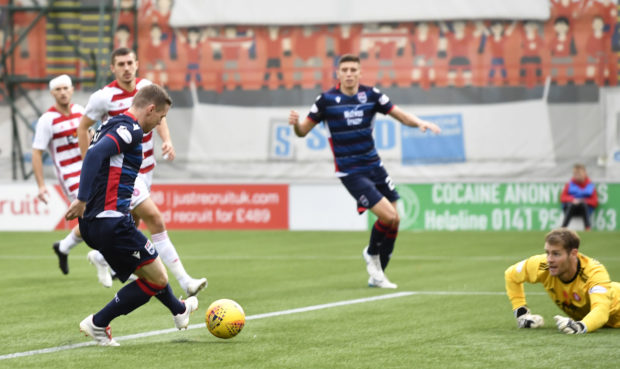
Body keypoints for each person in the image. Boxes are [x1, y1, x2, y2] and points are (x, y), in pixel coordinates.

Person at [288, 54, 441, 289]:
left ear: (360, 73)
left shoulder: (372, 95)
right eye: (345, 70)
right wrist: (296, 125)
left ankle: (378, 275)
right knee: (387, 216)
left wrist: (420, 122)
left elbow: (400, 115)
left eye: (353, 69)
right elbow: (303, 132)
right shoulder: (326, 100)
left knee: (396, 220)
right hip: (350, 171)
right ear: (337, 74)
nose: (349, 73)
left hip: (374, 165)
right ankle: (371, 254)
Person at [66, 84, 198, 346]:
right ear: (150, 109)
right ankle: (98, 322)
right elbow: (94, 154)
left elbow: (97, 155)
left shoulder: (111, 123)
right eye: (160, 117)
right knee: (157, 278)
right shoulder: (131, 130)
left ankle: (179, 310)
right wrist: (81, 198)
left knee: (148, 271)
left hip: (96, 222)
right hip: (110, 220)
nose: (160, 123)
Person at [77, 47, 206, 296]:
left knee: (130, 227)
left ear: (137, 64)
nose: (126, 68)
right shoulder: (103, 97)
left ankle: (103, 258)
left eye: (130, 63)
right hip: (124, 171)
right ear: (112, 68)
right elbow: (84, 128)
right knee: (155, 219)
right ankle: (184, 281)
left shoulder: (147, 89)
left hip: (145, 168)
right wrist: (91, 166)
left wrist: (167, 140)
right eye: (121, 64)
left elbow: (160, 117)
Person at [31, 74, 112, 287]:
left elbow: (93, 135)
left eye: (66, 88)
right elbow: (37, 152)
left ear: (72, 89)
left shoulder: (80, 112)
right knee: (93, 214)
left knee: (97, 213)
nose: (63, 92)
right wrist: (41, 185)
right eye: (58, 89)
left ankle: (64, 247)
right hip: (69, 176)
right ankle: (110, 262)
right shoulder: (47, 120)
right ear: (52, 93)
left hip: (90, 169)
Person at [504, 228, 620, 334]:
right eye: (547, 253)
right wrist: (521, 313)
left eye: (556, 254)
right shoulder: (542, 265)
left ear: (573, 254)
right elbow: (511, 275)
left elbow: (601, 311)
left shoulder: (594, 273)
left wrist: (580, 326)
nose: (549, 259)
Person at [560, 163, 598, 230]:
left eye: (579, 174)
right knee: (571, 205)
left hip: (584, 208)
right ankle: (563, 228)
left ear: (584, 173)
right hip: (570, 207)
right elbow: (563, 197)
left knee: (583, 204)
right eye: (575, 174)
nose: (577, 176)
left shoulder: (590, 185)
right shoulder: (569, 184)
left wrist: (584, 201)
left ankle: (587, 228)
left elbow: (594, 201)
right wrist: (572, 200)